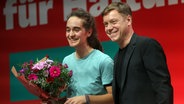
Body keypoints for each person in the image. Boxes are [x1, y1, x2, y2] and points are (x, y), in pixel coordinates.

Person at [101, 2, 173, 104]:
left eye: (113, 22)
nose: (109, 28)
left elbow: (162, 87)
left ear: (128, 20)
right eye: (106, 24)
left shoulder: (147, 46)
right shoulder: (116, 57)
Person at [63, 8, 114, 104]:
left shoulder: (104, 61)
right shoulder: (66, 61)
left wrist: (87, 99)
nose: (71, 34)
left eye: (76, 29)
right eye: (68, 30)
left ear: (89, 32)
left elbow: (113, 97)